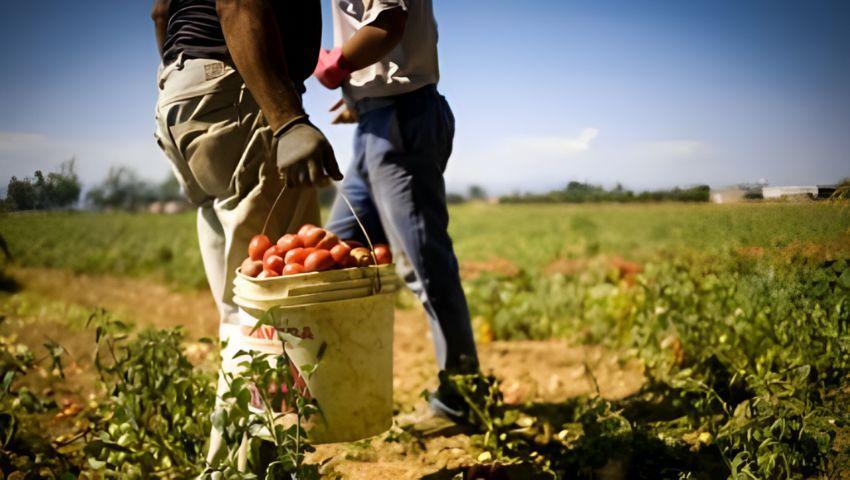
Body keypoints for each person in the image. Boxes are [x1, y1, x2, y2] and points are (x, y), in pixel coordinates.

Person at [150, 0, 342, 470]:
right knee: (275, 311)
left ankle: (231, 462)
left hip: (184, 97)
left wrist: (192, 78)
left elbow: (160, 12)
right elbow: (236, 2)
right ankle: (255, 466)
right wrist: (287, 119)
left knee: (242, 311)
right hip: (238, 88)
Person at [314, 0, 480, 426]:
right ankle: (341, 388)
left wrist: (336, 64)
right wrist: (361, 96)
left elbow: (388, 23)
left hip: (401, 118)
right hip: (378, 119)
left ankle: (463, 399)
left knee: (425, 266)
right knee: (334, 257)